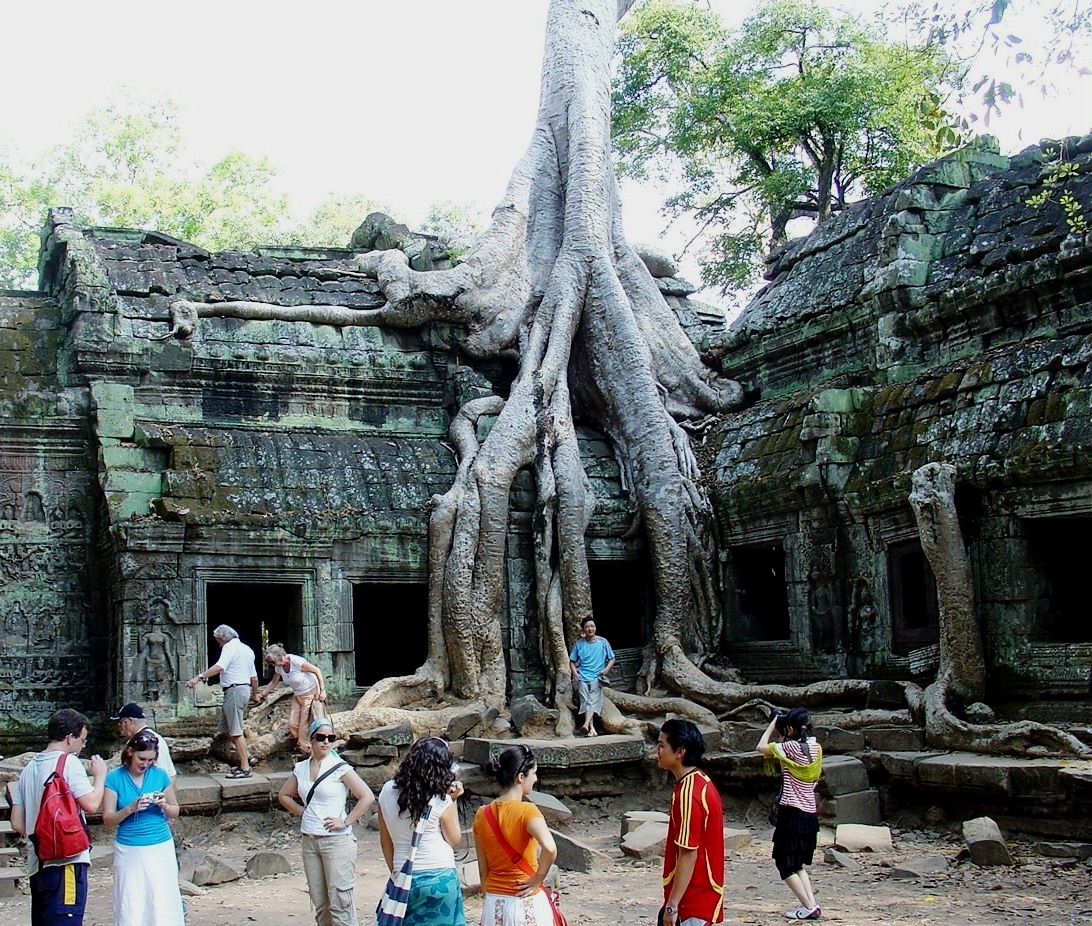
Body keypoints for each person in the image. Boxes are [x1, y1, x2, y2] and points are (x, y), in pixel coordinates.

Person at [10, 708, 108, 926]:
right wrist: (100, 777)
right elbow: (91, 804)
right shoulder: (69, 763)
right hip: (67, 862)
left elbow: (17, 823)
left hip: (38, 864)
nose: (83, 746)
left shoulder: (28, 769)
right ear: (69, 738)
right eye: (81, 740)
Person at [278, 718, 375, 926]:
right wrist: (302, 811)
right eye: (321, 738)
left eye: (330, 738)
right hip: (310, 840)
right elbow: (284, 795)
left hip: (337, 841)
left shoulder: (339, 767)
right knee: (320, 904)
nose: (326, 742)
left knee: (340, 903)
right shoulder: (301, 768)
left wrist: (346, 821)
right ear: (310, 741)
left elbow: (366, 796)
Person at [377, 736, 467, 926]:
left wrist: (397, 873)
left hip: (405, 877)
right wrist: (454, 799)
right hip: (440, 876)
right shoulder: (441, 798)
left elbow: (386, 841)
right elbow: (454, 838)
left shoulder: (386, 791)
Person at [101, 729, 184, 926]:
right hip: (130, 848)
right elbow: (107, 819)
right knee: (131, 900)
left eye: (150, 760)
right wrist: (130, 809)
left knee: (162, 898)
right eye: (142, 758)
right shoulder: (115, 778)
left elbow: (175, 810)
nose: (145, 764)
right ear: (130, 752)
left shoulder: (160, 775)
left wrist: (164, 805)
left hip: (159, 845)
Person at [472, 744, 559, 926]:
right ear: (520, 777)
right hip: (525, 901)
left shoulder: (482, 814)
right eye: (533, 773)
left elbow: (483, 870)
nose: (535, 779)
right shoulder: (527, 811)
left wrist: (491, 898)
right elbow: (550, 848)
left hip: (494, 902)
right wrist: (538, 878)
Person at [656, 718, 725, 926]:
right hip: (698, 896)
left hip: (692, 901)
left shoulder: (689, 792)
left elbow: (688, 852)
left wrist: (672, 905)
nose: (657, 751)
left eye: (662, 745)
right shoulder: (699, 781)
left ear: (680, 752)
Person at [757, 707, 823, 921]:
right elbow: (788, 746)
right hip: (809, 815)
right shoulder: (816, 747)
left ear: (791, 728)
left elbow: (761, 747)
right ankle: (811, 904)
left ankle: (808, 906)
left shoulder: (790, 747)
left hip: (791, 813)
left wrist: (773, 723)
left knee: (784, 865)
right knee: (796, 864)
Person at [185, 624, 258, 778]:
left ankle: (245, 768)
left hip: (235, 690)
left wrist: (198, 677)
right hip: (242, 689)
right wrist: (255, 694)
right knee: (225, 729)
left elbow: (220, 667)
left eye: (217, 640)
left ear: (222, 638)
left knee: (236, 731)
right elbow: (254, 678)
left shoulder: (229, 648)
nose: (217, 644)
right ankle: (247, 755)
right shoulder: (247, 649)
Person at [259, 644, 328, 756]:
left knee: (303, 726)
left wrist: (322, 690)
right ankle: (301, 744)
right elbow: (273, 683)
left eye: (274, 662)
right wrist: (262, 694)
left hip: (310, 693)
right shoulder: (279, 667)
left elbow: (317, 671)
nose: (273, 665)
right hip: (297, 695)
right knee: (292, 724)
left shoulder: (296, 661)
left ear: (281, 656)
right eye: (271, 663)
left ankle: (307, 751)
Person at [568, 616, 615, 736]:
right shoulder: (579, 644)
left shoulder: (603, 642)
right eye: (587, 627)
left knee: (593, 701)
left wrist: (606, 670)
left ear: (595, 628)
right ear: (583, 630)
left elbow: (612, 658)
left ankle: (585, 725)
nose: (590, 629)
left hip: (596, 677)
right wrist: (575, 673)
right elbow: (572, 661)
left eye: (592, 626)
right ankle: (591, 728)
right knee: (585, 702)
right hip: (583, 677)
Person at [111, 702, 176, 779]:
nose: (120, 728)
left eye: (120, 723)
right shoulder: (157, 738)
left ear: (129, 721)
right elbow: (172, 773)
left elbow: (159, 774)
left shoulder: (147, 741)